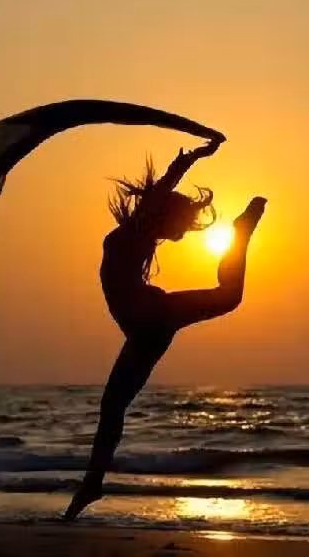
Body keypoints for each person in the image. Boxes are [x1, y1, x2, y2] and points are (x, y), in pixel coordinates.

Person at [63, 138, 266, 520]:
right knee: (113, 406)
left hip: (151, 318)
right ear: (164, 215)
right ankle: (92, 484)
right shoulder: (138, 229)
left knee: (227, 297)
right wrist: (191, 158)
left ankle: (240, 234)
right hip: (148, 324)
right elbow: (161, 189)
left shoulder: (140, 233)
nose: (184, 234)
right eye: (183, 225)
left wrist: (191, 160)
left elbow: (160, 195)